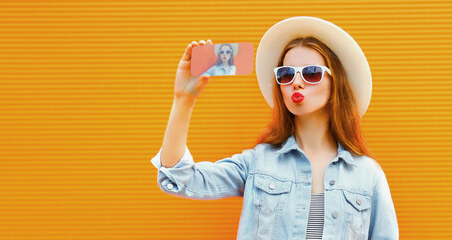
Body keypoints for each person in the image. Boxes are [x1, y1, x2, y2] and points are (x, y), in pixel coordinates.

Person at [151, 17, 399, 239]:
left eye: (311, 73)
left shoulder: (368, 175)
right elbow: (179, 178)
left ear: (336, 83)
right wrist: (183, 100)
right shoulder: (258, 163)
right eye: (286, 74)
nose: (297, 83)